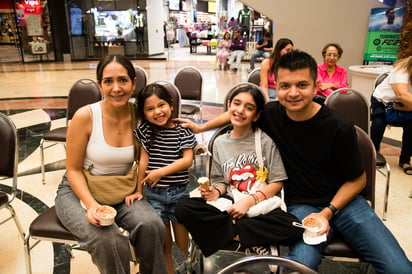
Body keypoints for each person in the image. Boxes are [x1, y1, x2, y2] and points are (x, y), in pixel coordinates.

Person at [175, 50, 412, 274]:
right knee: (299, 267)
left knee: (398, 268)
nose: (293, 93)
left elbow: (359, 179)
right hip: (300, 206)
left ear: (316, 87)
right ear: (275, 87)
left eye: (302, 85)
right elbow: (239, 112)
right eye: (285, 86)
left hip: (347, 204)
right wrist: (202, 127)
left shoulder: (337, 126)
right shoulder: (271, 114)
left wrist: (328, 212)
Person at [55, 55, 167, 274]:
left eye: (123, 80)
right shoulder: (85, 116)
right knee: (109, 240)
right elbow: (73, 170)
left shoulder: (140, 116)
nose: (116, 88)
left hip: (121, 188)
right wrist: (91, 205)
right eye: (108, 81)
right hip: (79, 192)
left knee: (152, 226)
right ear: (100, 85)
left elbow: (170, 127)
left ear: (134, 83)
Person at [175, 84, 303, 272]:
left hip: (260, 203)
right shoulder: (219, 143)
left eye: (249, 108)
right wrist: (214, 192)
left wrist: (250, 201)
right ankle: (251, 238)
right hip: (232, 203)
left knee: (294, 226)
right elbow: (221, 181)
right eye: (237, 103)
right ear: (228, 105)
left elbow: (277, 182)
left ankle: (236, 233)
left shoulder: (265, 141)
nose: (241, 110)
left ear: (256, 115)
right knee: (183, 207)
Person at [129, 83, 197, 274]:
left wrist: (161, 172)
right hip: (154, 195)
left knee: (184, 244)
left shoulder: (183, 130)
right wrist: (139, 191)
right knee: (164, 245)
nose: (157, 112)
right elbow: (143, 162)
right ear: (143, 112)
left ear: (171, 105)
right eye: (150, 109)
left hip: (179, 194)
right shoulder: (145, 131)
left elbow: (187, 161)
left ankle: (191, 269)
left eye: (161, 105)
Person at [371, 56, 412, 175]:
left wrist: (406, 108)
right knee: (378, 124)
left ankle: (405, 160)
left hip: (404, 104)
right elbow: (401, 94)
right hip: (382, 102)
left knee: (411, 126)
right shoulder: (401, 70)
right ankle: (373, 153)